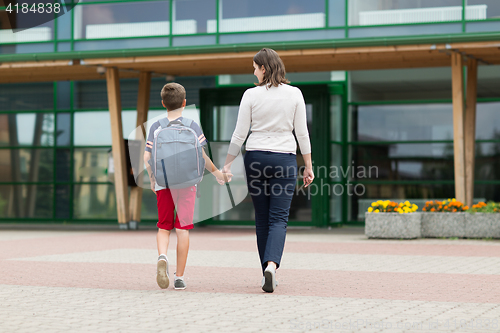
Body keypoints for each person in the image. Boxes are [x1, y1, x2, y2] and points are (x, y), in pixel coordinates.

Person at [222, 48, 314, 293]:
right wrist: (308, 166)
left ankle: (265, 269)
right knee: (278, 218)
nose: (253, 72)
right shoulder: (295, 94)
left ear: (264, 68)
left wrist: (228, 163)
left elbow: (239, 134)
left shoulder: (250, 95)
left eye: (255, 67)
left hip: (255, 159)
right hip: (284, 159)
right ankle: (271, 265)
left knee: (262, 217)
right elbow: (301, 133)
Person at [144, 82, 230, 290]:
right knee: (182, 230)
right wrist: (219, 174)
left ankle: (162, 256)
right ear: (184, 103)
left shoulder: (156, 127)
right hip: (187, 184)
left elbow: (147, 158)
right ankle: (179, 277)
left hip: (164, 183)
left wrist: (152, 179)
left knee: (164, 226)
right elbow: (202, 156)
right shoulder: (192, 126)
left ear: (163, 103)